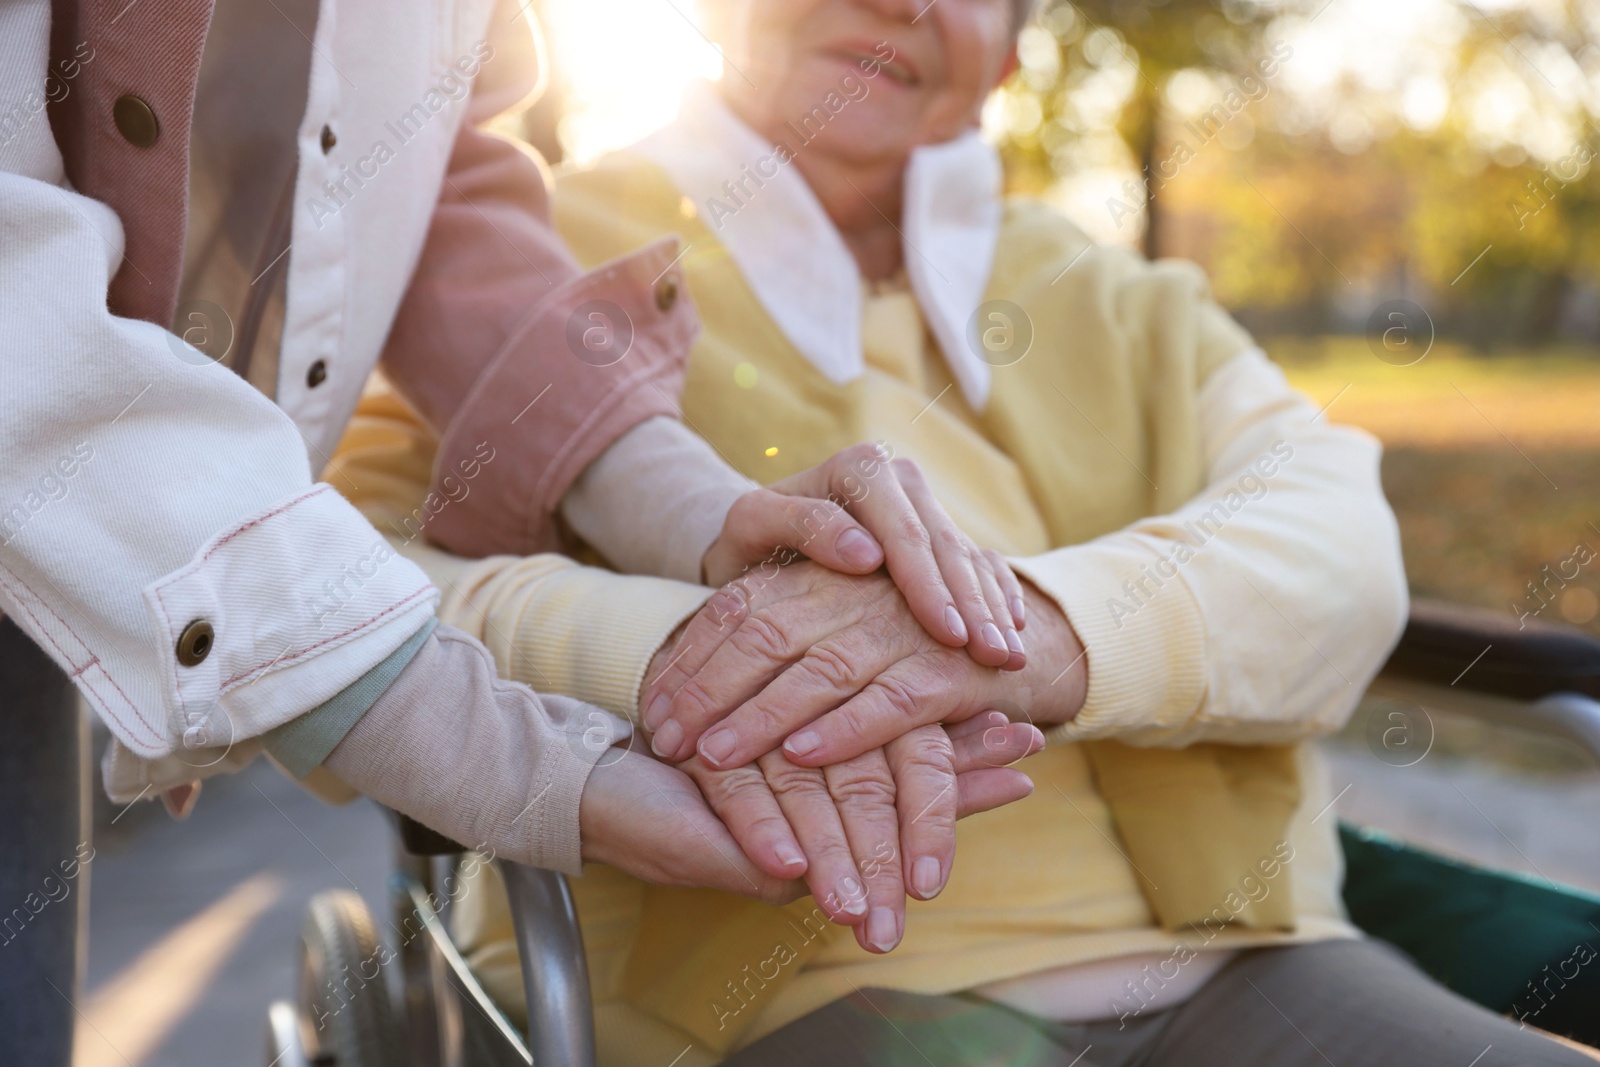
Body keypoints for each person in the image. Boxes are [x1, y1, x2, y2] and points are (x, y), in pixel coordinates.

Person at [329, 0, 1600, 1064]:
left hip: (1248, 963)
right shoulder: (511, 252)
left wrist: (1030, 636)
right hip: (782, 994)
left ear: (1004, 52)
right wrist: (697, 651)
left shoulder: (1126, 299)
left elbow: (1332, 542)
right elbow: (341, 576)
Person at [0, 0, 1025, 1061]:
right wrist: (509, 751)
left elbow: (429, 182)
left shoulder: (1112, 298)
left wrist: (700, 511)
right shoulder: (626, 198)